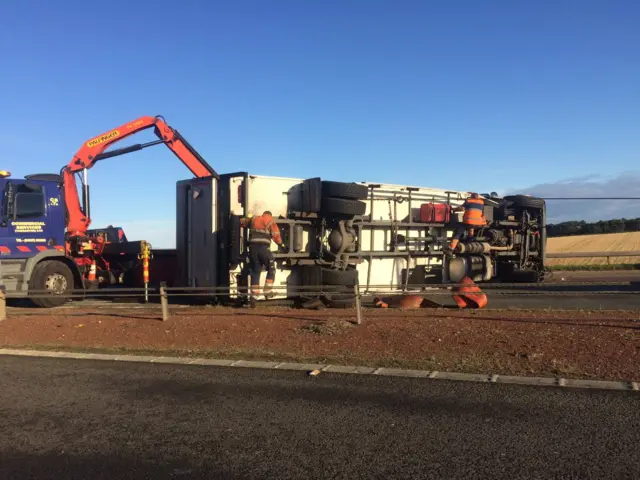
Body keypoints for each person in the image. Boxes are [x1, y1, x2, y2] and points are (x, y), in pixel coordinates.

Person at [239, 211, 285, 306]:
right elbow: (276, 235)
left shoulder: (254, 219)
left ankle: (253, 298)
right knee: (271, 268)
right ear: (270, 215)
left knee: (255, 271)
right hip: (263, 248)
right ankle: (267, 291)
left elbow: (242, 222)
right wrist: (281, 244)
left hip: (252, 249)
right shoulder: (269, 220)